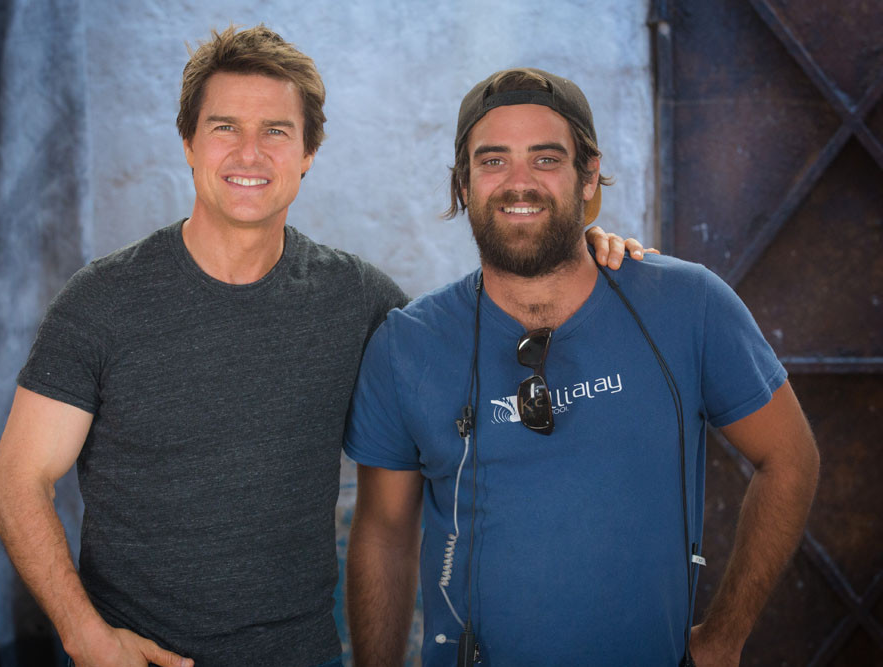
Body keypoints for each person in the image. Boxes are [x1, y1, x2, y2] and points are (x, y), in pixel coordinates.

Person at [0, 28, 643, 667]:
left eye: (276, 131)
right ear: (188, 142)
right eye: (224, 128)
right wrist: (88, 638)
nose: (249, 152)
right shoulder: (104, 298)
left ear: (307, 152)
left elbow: (479, 324)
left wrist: (579, 249)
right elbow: (19, 480)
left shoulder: (356, 298)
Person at [343, 67, 820, 667]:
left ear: (587, 175)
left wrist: (724, 638)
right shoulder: (406, 344)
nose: (519, 184)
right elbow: (384, 530)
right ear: (462, 183)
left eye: (545, 159)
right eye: (492, 162)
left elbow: (790, 458)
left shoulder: (687, 305)